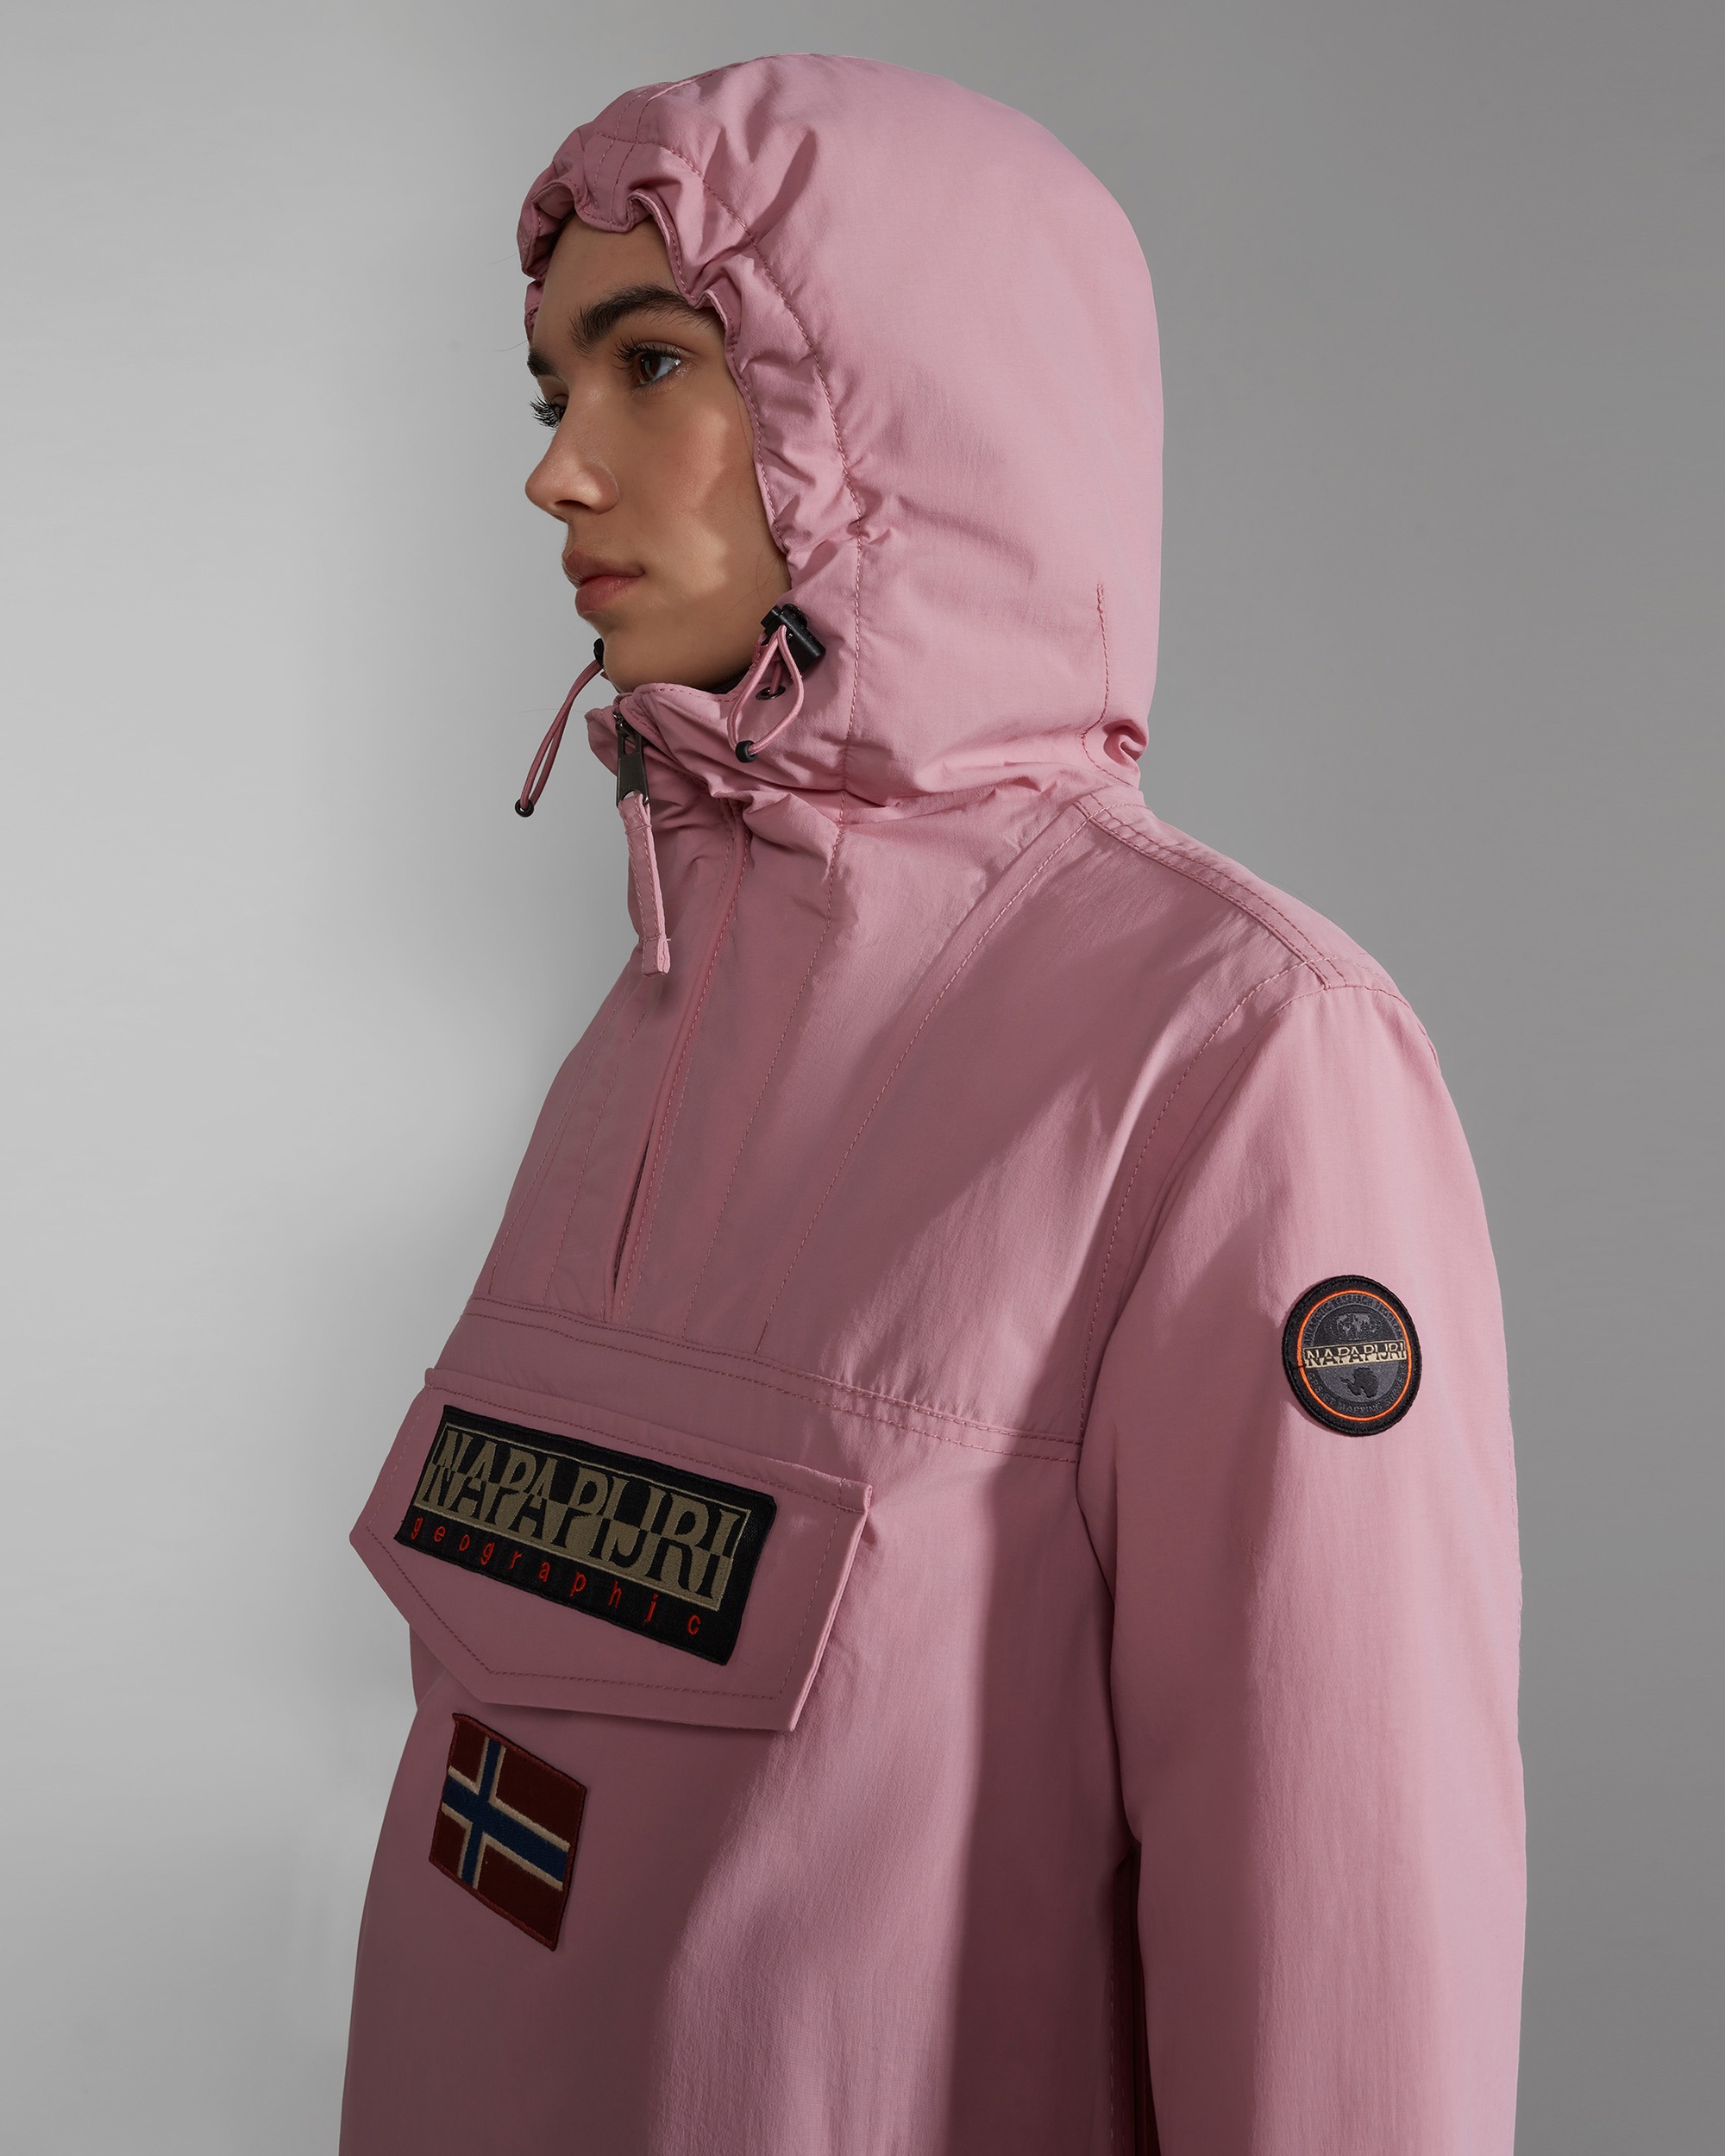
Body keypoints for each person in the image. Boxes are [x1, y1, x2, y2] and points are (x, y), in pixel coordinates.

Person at [341, 53, 1525, 2156]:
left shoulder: (1240, 1053)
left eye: (649, 361)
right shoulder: (650, 1020)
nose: (557, 471)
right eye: (552, 386)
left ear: (908, 406)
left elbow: (1350, 1979)